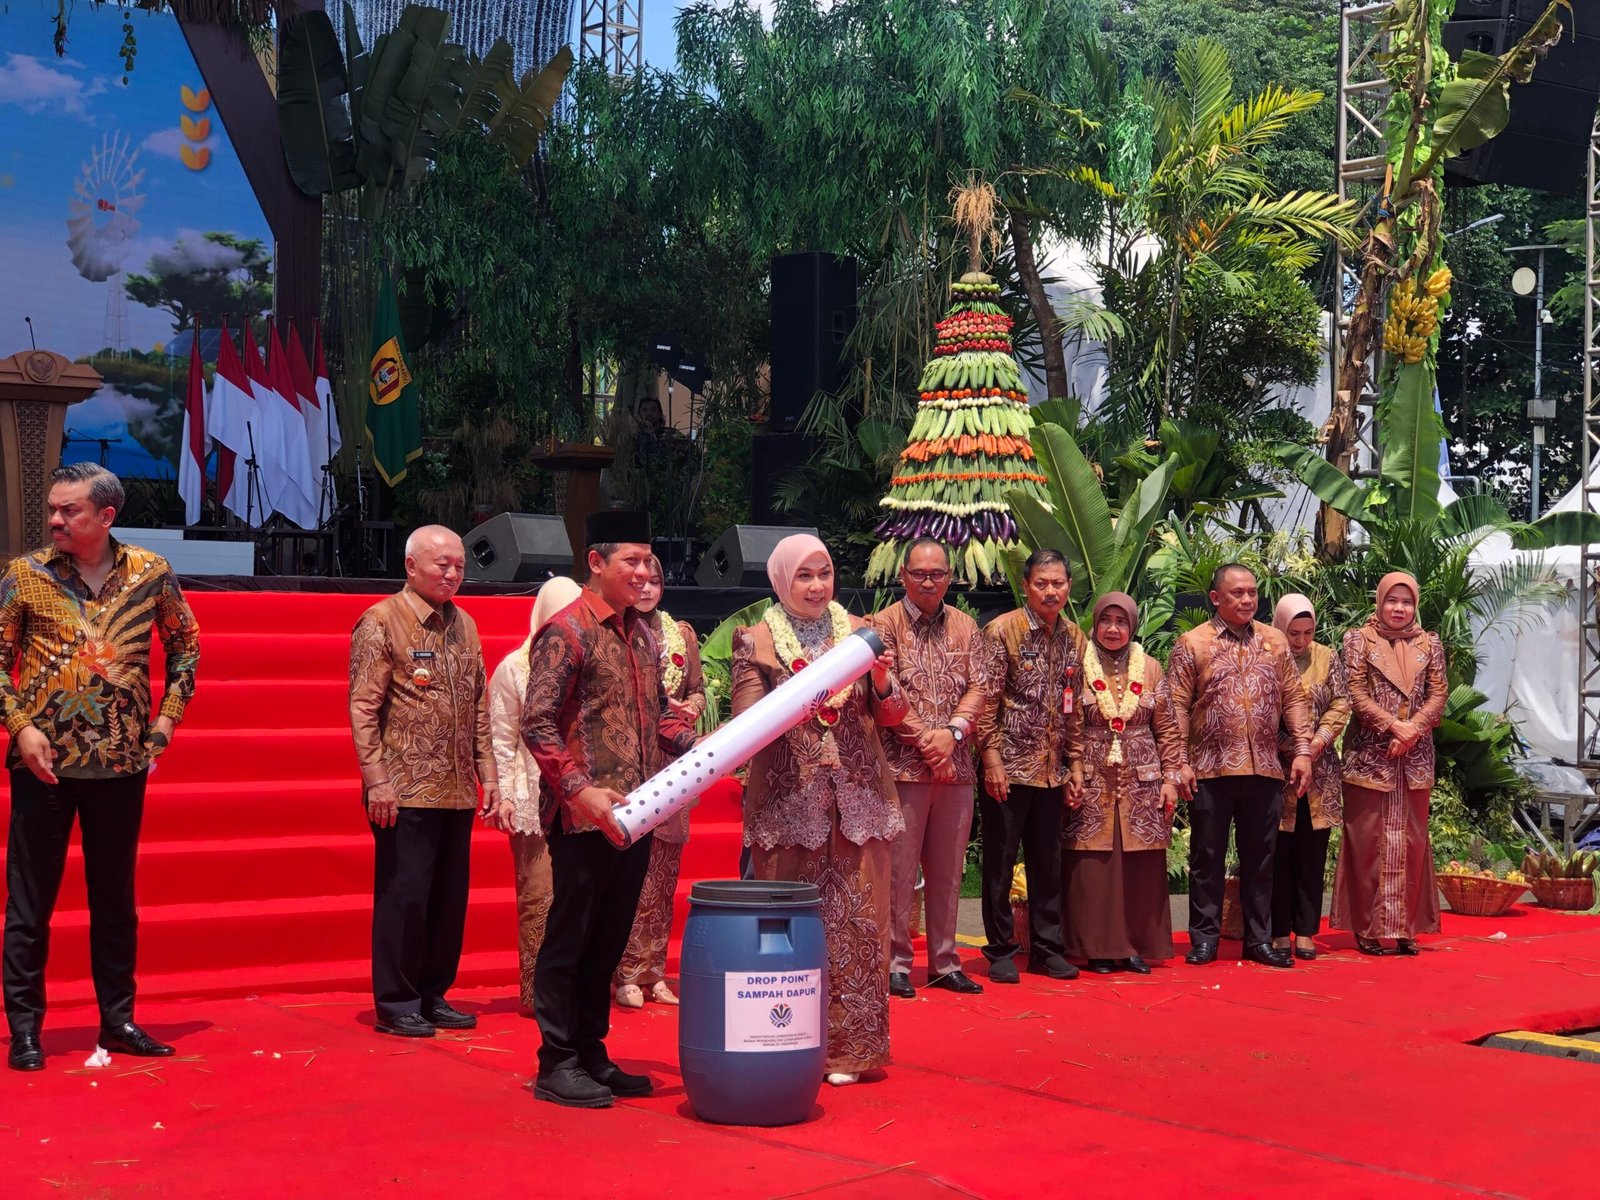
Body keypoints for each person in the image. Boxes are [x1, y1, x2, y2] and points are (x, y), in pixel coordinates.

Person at [2, 463, 200, 1071]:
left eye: (70, 511)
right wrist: (21, 726)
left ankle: (118, 1020)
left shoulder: (150, 573)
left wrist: (167, 718)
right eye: (54, 511)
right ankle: (26, 1029)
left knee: (115, 900)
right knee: (30, 905)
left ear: (106, 516)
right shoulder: (25, 576)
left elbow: (186, 644)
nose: (56, 521)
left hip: (121, 762)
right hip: (44, 766)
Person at [522, 512, 698, 1109]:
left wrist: (704, 747)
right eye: (633, 561)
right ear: (596, 565)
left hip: (639, 814)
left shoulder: (644, 635)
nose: (645, 573)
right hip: (583, 818)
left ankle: (592, 1053)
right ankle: (557, 1060)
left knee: (610, 940)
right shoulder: (566, 631)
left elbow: (657, 715)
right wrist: (578, 789)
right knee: (571, 938)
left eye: (650, 562)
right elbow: (536, 721)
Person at [733, 533, 905, 1087]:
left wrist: (879, 677)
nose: (816, 586)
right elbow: (746, 726)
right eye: (803, 575)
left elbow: (895, 714)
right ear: (782, 579)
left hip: (858, 802)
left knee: (859, 924)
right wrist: (800, 696)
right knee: (793, 929)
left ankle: (853, 1049)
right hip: (789, 806)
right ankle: (788, 1042)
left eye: (825, 573)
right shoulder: (755, 641)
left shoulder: (861, 634)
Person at [349, 526, 503, 1040]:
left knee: (447, 897)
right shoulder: (381, 621)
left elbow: (481, 708)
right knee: (405, 895)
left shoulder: (467, 626)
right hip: (405, 786)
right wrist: (376, 779)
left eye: (459, 565)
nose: (453, 574)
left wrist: (490, 775)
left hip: (457, 787)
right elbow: (364, 707)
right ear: (411, 566)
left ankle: (434, 992)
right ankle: (396, 1000)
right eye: (442, 564)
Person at [1157, 564, 1312, 970]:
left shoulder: (1274, 641)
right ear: (1215, 598)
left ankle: (1258, 940)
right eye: (1237, 593)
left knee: (1261, 859)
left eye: (1251, 592)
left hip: (1264, 768)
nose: (1247, 600)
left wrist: (1301, 751)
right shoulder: (1192, 643)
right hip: (1210, 770)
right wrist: (1178, 764)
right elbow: (1174, 708)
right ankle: (1204, 938)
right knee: (1206, 857)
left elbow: (1295, 698)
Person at [874, 538, 990, 999]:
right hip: (904, 768)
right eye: (919, 573)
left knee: (948, 872)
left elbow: (981, 687)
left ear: (949, 577)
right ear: (902, 575)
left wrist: (954, 735)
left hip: (956, 770)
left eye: (937, 574)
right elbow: (884, 690)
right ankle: (896, 963)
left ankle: (944, 961)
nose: (928, 581)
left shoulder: (965, 626)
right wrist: (928, 740)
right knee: (899, 873)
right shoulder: (884, 625)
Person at [976, 547, 1085, 984]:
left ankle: (1046, 949)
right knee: (1000, 862)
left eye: (1058, 583)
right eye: (1041, 583)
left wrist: (1075, 763)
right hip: (1009, 768)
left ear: (1068, 587)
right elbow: (985, 702)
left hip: (1051, 769)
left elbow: (1072, 705)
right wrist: (990, 759)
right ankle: (1001, 949)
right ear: (1026, 586)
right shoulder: (1002, 631)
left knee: (1048, 862)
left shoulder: (1075, 637)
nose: (1050, 590)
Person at [1061, 592, 1181, 975]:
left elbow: (1167, 728)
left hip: (1142, 779)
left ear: (1132, 625)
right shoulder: (1077, 666)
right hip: (1093, 778)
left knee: (1139, 866)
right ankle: (1096, 946)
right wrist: (1071, 768)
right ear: (1094, 624)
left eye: (1122, 621)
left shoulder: (1150, 668)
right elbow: (1069, 726)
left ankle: (1134, 945)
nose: (1113, 629)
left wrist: (1171, 779)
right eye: (1106, 621)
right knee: (1093, 864)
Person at [1331, 572, 1447, 956]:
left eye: (1407, 602)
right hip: (1371, 756)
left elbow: (1438, 693)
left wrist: (1411, 730)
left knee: (1411, 842)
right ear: (1379, 602)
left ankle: (1403, 928)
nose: (1399, 609)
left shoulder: (1429, 644)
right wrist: (1393, 725)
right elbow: (1355, 692)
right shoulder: (1358, 640)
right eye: (1392, 601)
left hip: (1413, 760)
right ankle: (1366, 927)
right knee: (1367, 842)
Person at [614, 555, 706, 1008]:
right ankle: (625, 971)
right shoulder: (618, 629)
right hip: (633, 765)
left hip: (675, 766)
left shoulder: (681, 632)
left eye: (656, 580)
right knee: (635, 872)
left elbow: (698, 687)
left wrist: (689, 708)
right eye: (641, 581)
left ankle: (654, 972)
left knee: (666, 873)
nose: (647, 589)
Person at [488, 576, 582, 1016]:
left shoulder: (591, 658)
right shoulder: (515, 667)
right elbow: (501, 738)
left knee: (578, 895)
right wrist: (505, 795)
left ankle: (573, 990)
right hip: (530, 796)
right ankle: (536, 992)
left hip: (581, 797)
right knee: (538, 895)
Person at [1270, 594, 1351, 962]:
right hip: (1276, 767)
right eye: (1293, 632)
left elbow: (1341, 702)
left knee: (1311, 853)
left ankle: (1305, 930)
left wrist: (1315, 743)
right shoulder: (1267, 656)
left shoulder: (1327, 658)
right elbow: (1258, 707)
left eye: (1307, 632)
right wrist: (1289, 745)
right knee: (1276, 853)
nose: (1300, 641)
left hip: (1319, 770)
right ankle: (1276, 932)